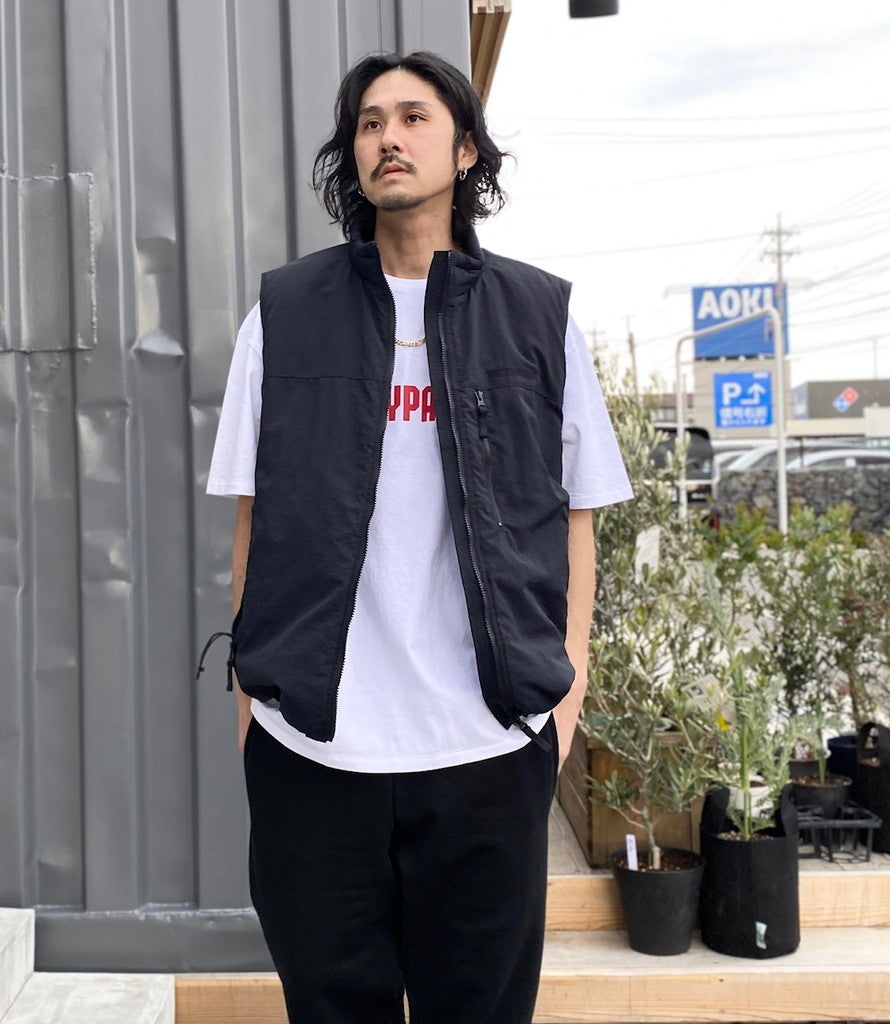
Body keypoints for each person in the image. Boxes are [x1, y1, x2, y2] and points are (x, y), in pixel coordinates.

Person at [206, 49, 631, 1024]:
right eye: (368, 123)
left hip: (488, 749)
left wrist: (559, 712)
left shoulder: (539, 316)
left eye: (412, 117)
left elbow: (576, 522)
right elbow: (253, 525)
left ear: (465, 148)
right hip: (313, 755)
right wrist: (252, 717)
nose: (387, 138)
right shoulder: (283, 316)